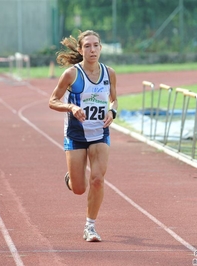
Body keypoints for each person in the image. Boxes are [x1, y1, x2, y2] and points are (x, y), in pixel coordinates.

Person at [48, 30, 118, 242]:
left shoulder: (109, 73)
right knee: (80, 188)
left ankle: (90, 226)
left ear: (101, 48)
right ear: (80, 50)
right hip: (76, 134)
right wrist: (71, 107)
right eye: (87, 46)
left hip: (100, 132)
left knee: (97, 179)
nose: (92, 49)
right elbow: (52, 100)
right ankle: (71, 177)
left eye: (96, 45)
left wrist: (112, 111)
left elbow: (114, 100)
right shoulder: (72, 74)